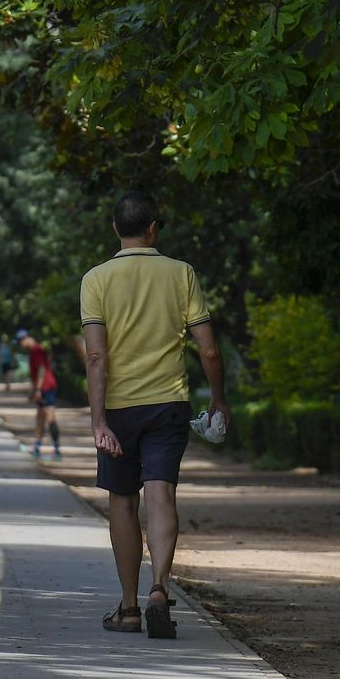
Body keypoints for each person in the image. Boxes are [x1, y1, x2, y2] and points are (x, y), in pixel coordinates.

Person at [81, 191, 229, 639]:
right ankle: (160, 589)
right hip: (168, 403)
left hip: (120, 409)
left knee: (123, 503)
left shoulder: (96, 280)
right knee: (161, 495)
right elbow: (208, 348)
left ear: (115, 229)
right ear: (154, 229)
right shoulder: (181, 274)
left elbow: (95, 358)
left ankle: (128, 608)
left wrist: (98, 422)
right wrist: (218, 399)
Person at [16, 329, 62, 460]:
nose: (20, 345)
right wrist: (33, 391)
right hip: (44, 387)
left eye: (20, 342)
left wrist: (38, 390)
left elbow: (42, 370)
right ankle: (36, 447)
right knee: (40, 417)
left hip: (47, 387)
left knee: (50, 418)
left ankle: (57, 450)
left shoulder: (36, 350)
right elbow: (36, 374)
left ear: (25, 339)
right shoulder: (34, 351)